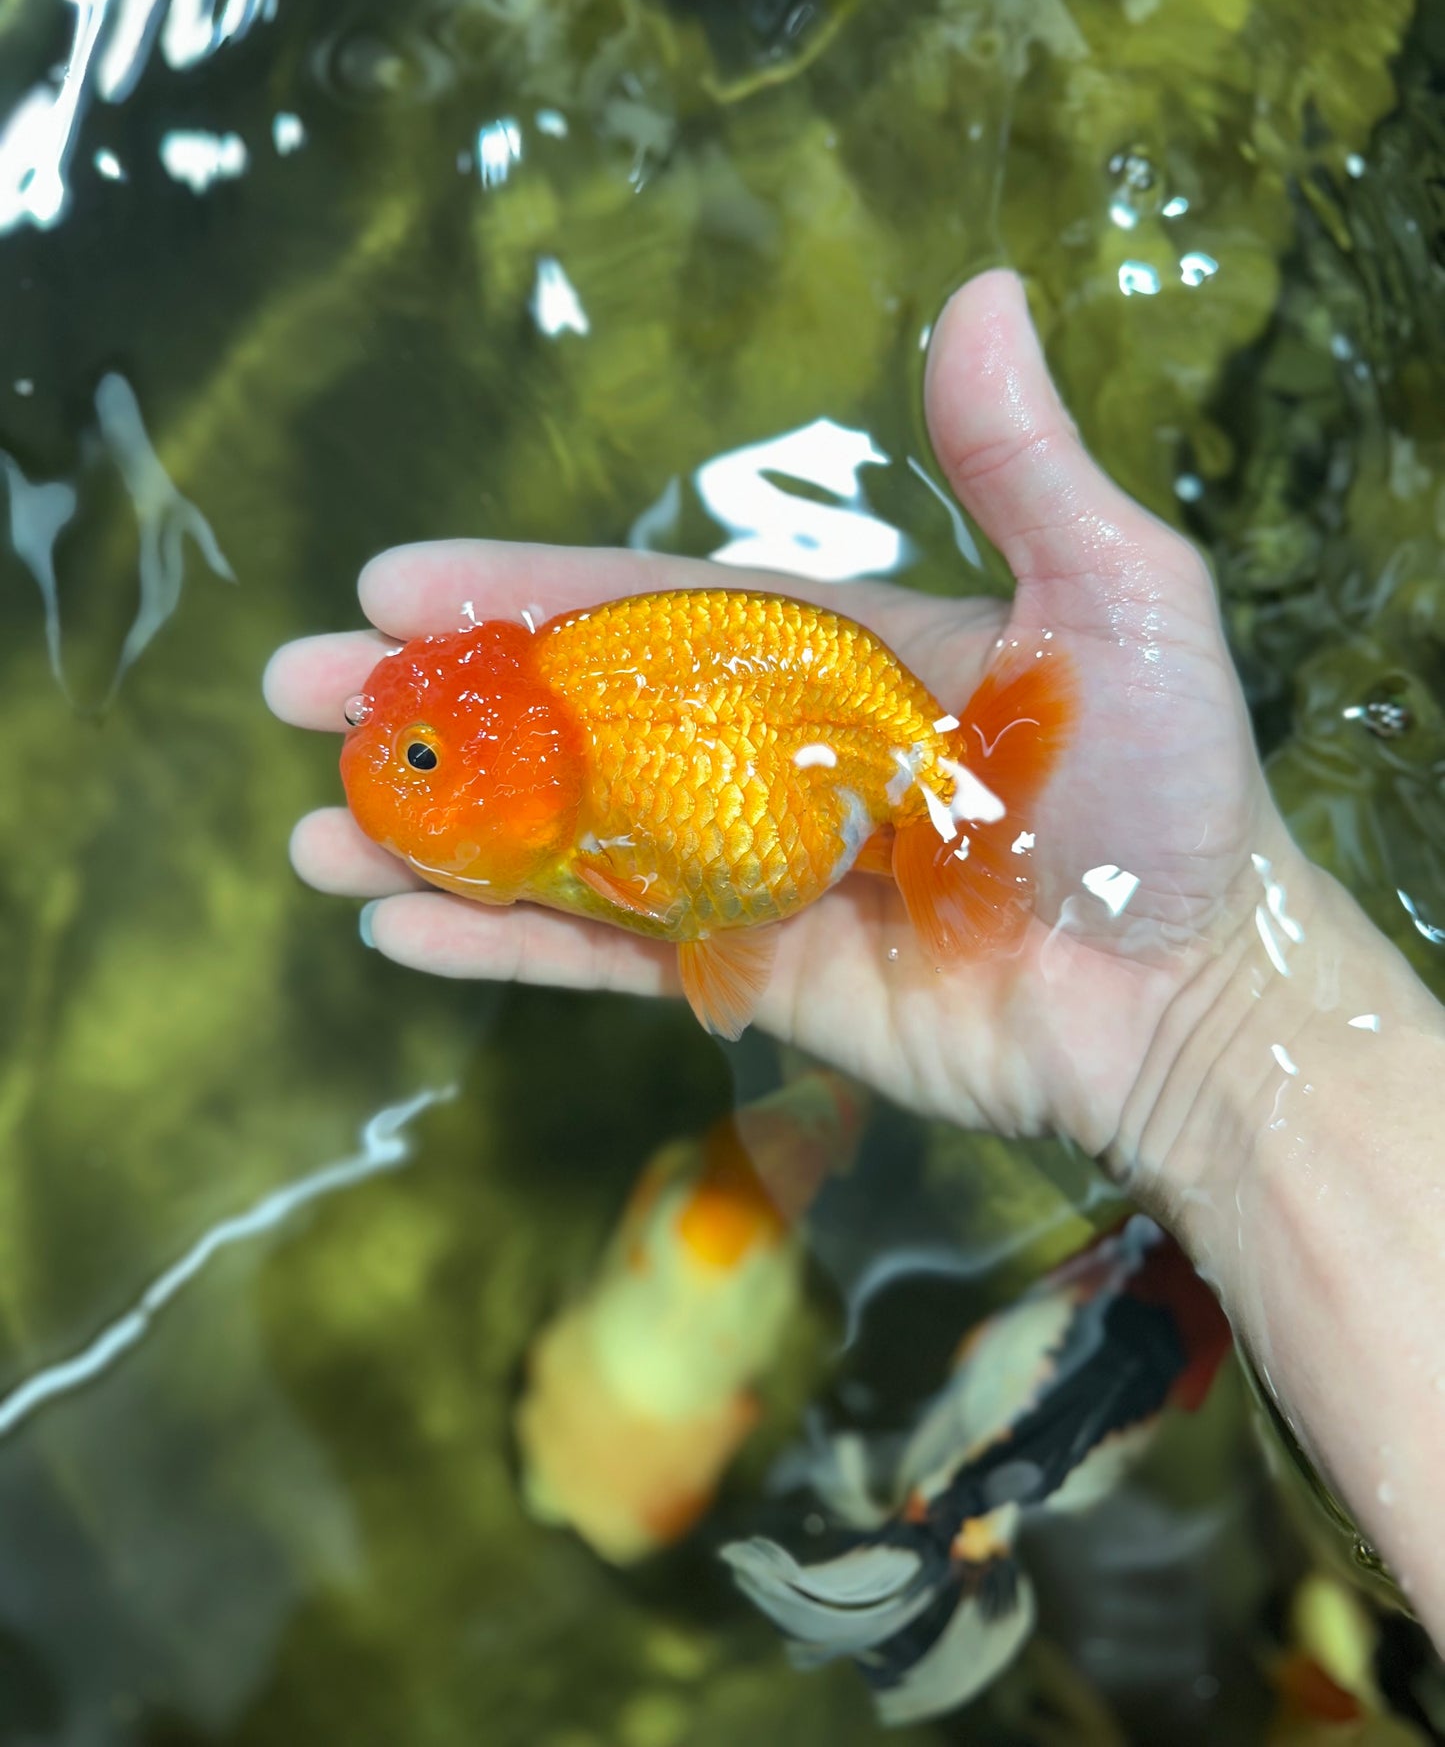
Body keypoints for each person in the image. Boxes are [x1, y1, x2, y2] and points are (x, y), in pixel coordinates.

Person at [264, 271, 1445, 1650]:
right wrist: (1215, 1017)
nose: (382, 768)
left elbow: (703, 890)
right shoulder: (571, 771)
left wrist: (1204, 1003)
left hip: (842, 758)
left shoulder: (611, 798)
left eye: (416, 759)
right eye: (404, 749)